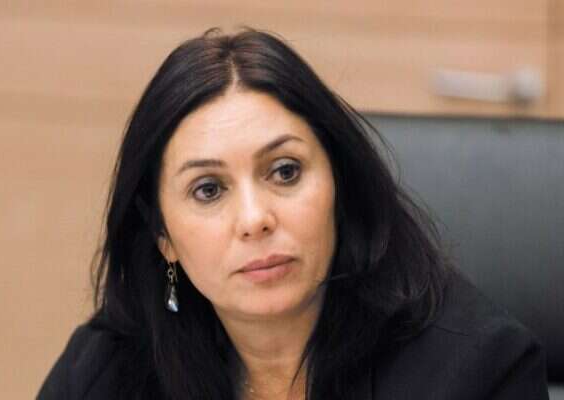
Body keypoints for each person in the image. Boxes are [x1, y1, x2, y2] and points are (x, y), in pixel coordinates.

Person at [37, 27, 548, 399]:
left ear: (339, 186)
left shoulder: (476, 371)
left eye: (285, 172)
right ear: (163, 236)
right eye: (208, 189)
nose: (254, 218)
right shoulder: (106, 370)